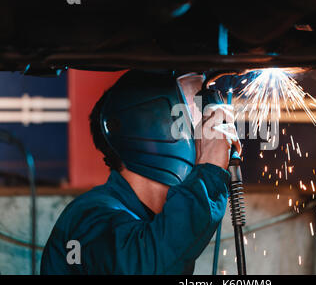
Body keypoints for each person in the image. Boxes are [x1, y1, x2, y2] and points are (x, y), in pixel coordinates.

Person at [40, 70, 241, 274]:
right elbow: (147, 265)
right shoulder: (88, 220)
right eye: (195, 114)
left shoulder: (155, 220)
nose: (208, 129)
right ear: (151, 130)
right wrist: (209, 171)